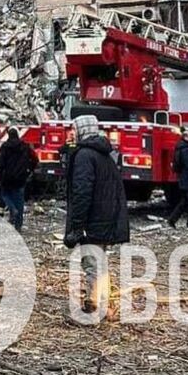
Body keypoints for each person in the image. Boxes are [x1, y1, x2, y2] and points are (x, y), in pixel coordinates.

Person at [64, 115, 129, 314]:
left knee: (91, 260)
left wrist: (77, 224)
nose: (73, 133)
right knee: (99, 259)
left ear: (82, 130)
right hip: (106, 216)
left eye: (75, 129)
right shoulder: (105, 155)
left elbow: (82, 191)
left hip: (92, 218)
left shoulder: (84, 156)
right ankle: (103, 301)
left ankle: (94, 302)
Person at [0, 127, 33, 231]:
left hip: (7, 178)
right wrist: (28, 171)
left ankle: (12, 208)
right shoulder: (25, 147)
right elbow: (34, 159)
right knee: (20, 202)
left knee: (5, 195)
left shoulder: (5, 147)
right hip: (20, 179)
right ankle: (18, 226)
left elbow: (0, 163)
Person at [164, 130, 188, 230]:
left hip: (183, 179)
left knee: (185, 201)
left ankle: (173, 220)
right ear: (186, 138)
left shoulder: (180, 148)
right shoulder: (187, 150)